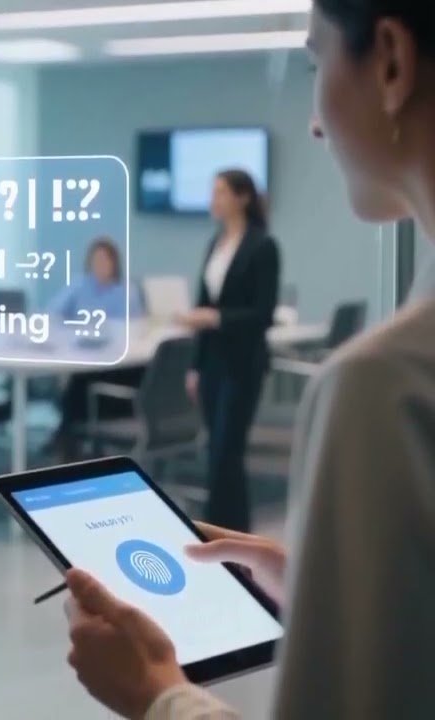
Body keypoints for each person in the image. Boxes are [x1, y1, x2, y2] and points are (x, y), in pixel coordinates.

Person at [64, 2, 435, 718]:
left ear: (391, 62)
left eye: (315, 63)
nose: (316, 124)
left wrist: (158, 694)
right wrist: (328, 584)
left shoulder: (387, 388)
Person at [178, 169, 280, 532]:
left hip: (243, 362)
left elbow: (263, 313)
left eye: (221, 192)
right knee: (214, 453)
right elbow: (202, 301)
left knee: (226, 452)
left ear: (243, 197)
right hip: (211, 365)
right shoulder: (216, 243)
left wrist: (216, 318)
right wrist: (194, 366)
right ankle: (216, 534)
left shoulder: (262, 245)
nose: (214, 199)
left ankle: (231, 534)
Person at [45, 237, 146, 461]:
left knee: (78, 386)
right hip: (84, 354)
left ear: (114, 263)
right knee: (78, 383)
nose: (99, 265)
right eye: (95, 260)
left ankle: (68, 440)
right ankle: (68, 440)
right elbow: (53, 313)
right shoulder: (81, 284)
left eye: (104, 260)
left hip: (120, 365)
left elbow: (136, 327)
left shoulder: (126, 290)